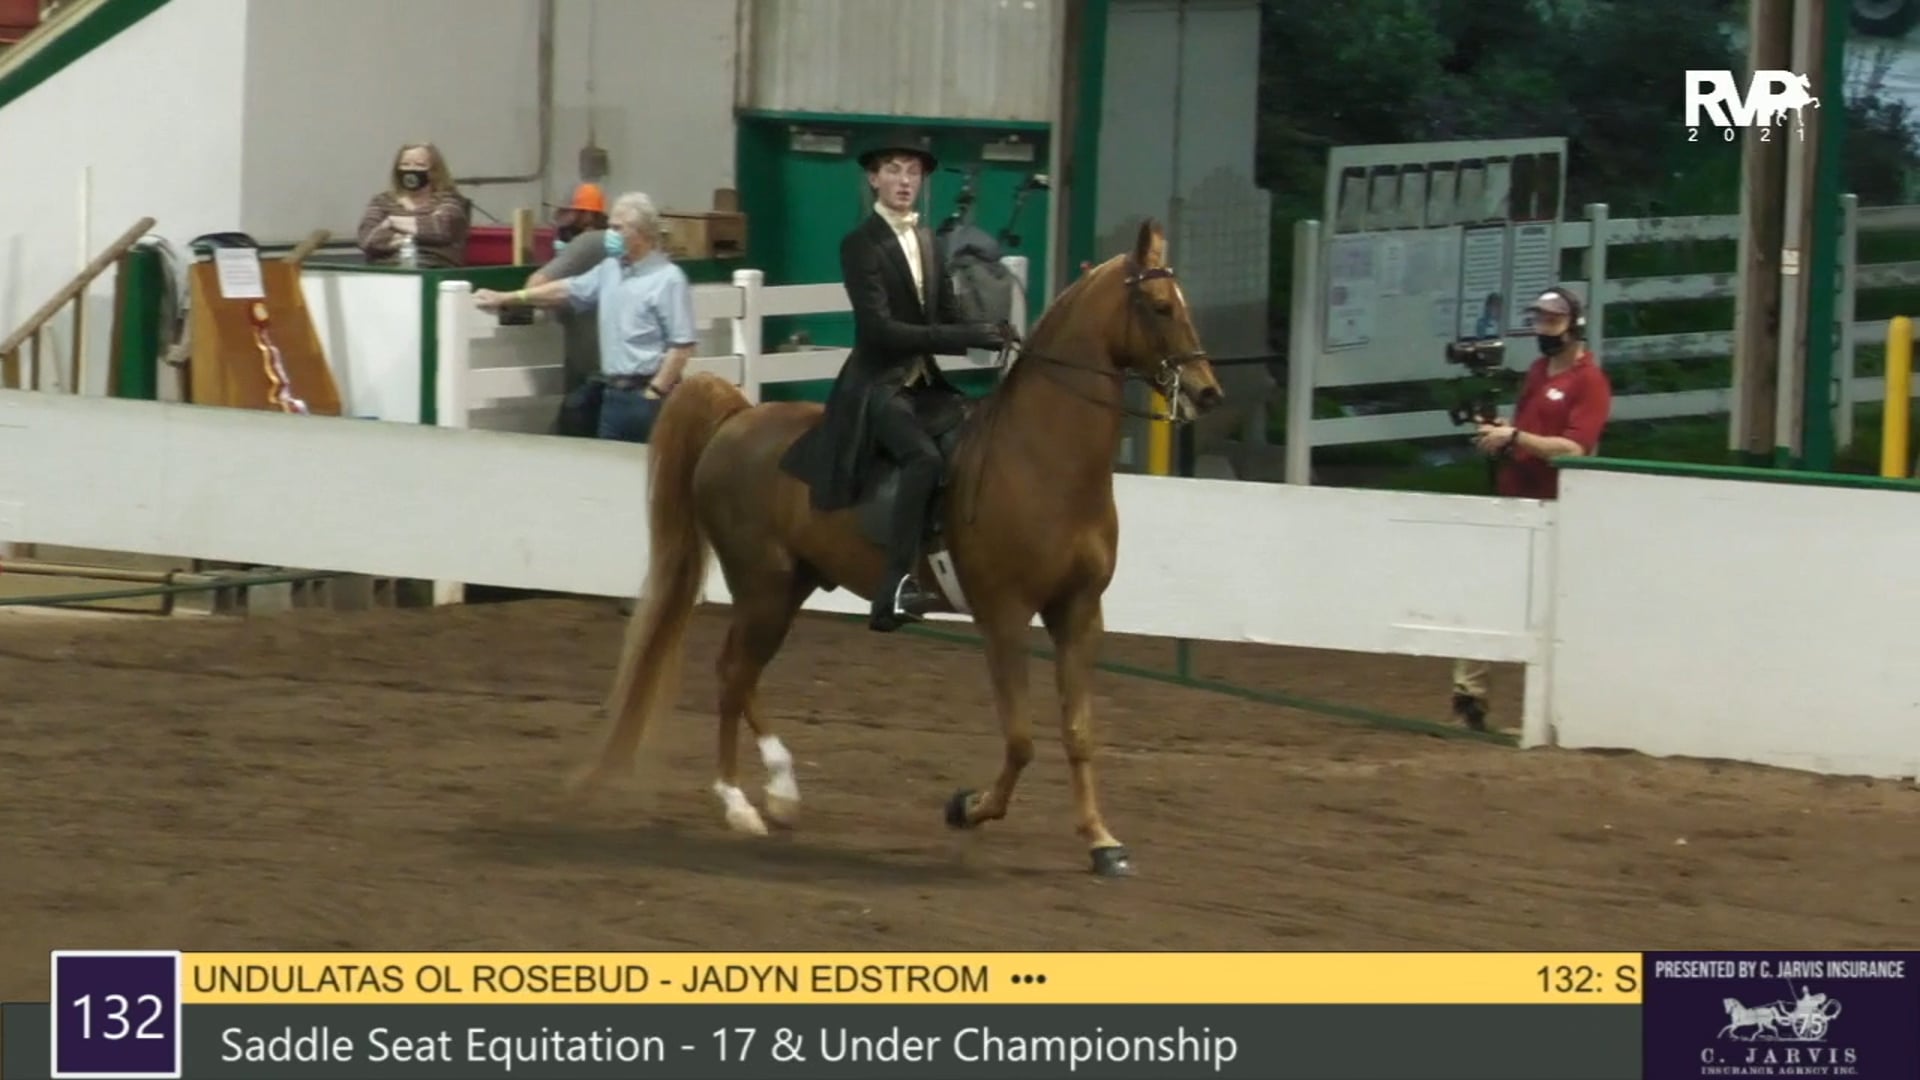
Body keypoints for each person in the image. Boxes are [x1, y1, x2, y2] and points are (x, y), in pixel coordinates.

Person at [778, 130, 1012, 633]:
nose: (905, 181)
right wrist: (962, 334)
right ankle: (894, 588)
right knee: (923, 458)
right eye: (894, 170)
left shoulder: (927, 239)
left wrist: (985, 333)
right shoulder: (860, 244)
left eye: (913, 171)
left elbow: (944, 315)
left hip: (924, 383)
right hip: (878, 384)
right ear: (873, 178)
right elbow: (881, 330)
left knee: (973, 447)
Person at [1451, 286, 1613, 731]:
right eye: (1540, 319)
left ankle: (1547, 707)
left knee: (1546, 607)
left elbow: (1575, 447)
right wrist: (1504, 434)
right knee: (1488, 590)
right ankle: (1469, 695)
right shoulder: (1540, 371)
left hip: (1554, 505)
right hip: (1517, 496)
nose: (1544, 328)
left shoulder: (1589, 382)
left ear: (1574, 325)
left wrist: (1517, 439)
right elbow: (1529, 429)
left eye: (1553, 320)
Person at [472, 191, 696, 444]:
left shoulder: (668, 279)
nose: (610, 234)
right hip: (613, 395)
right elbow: (566, 289)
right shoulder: (610, 269)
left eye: (617, 228)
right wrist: (508, 297)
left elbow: (682, 345)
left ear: (640, 232)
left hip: (648, 396)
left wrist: (656, 391)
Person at [524, 183, 611, 436]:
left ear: (586, 215)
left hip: (591, 380)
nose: (560, 220)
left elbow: (536, 287)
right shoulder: (611, 246)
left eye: (567, 213)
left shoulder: (587, 243)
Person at [356, 142, 471, 269]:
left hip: (433, 271)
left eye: (420, 165)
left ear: (434, 171)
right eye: (405, 165)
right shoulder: (381, 201)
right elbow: (367, 239)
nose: (411, 170)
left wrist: (392, 222)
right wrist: (415, 239)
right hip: (385, 271)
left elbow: (440, 228)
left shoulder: (450, 200)